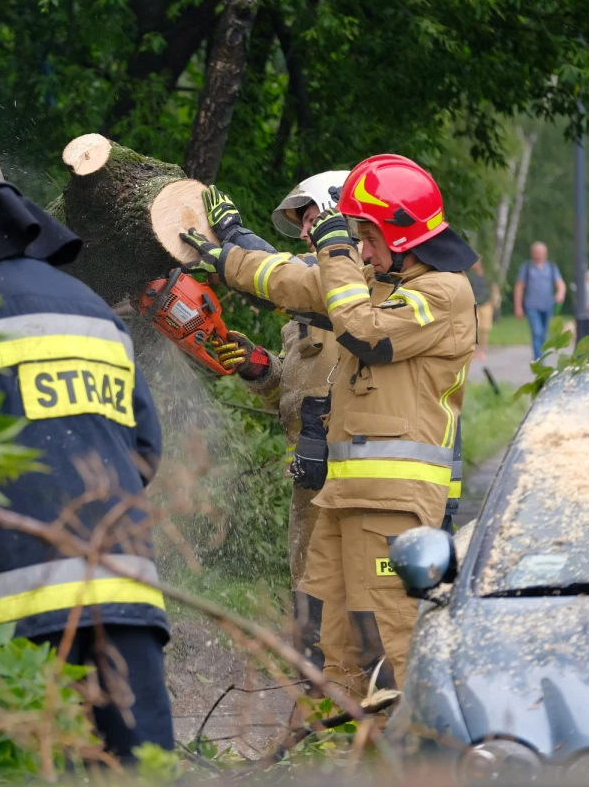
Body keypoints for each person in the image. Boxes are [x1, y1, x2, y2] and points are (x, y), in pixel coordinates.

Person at [181, 154, 477, 695]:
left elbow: (365, 333)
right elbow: (293, 279)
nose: (362, 250)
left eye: (369, 237)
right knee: (329, 643)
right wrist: (227, 259)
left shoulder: (443, 293)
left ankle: (410, 739)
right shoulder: (376, 280)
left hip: (392, 499)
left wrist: (337, 249)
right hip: (344, 493)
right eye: (356, 239)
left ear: (401, 234)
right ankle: (334, 729)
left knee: (391, 642)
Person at [0, 169, 173, 763]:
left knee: (26, 767)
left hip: (15, 598)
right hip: (123, 586)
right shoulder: (95, 311)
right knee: (141, 769)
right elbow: (145, 449)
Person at [204, 174, 344, 592]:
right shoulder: (304, 315)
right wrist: (259, 368)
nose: (303, 234)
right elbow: (292, 395)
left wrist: (233, 237)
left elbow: (286, 278)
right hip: (312, 476)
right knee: (312, 596)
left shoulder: (361, 286)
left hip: (356, 478)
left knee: (359, 602)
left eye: (311, 220)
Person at [513, 241, 565, 360]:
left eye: (541, 252)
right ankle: (538, 360)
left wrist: (560, 293)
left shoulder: (551, 267)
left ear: (546, 253)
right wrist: (518, 307)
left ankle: (541, 357)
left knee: (543, 334)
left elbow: (561, 284)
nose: (539, 254)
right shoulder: (527, 268)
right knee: (537, 332)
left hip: (548, 306)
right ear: (532, 253)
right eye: (536, 252)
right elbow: (519, 287)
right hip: (532, 306)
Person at [468, 260, 493, 360]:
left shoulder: (487, 276)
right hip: (475, 305)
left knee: (485, 329)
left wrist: (493, 301)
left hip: (486, 304)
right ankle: (475, 350)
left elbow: (493, 288)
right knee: (474, 328)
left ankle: (482, 351)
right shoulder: (470, 276)